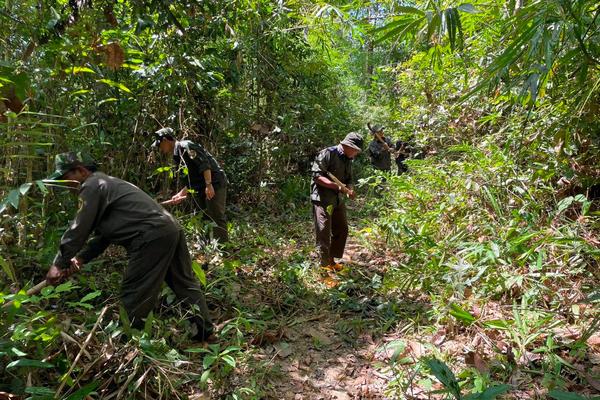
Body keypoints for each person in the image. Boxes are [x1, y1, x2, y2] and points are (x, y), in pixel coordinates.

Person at [45, 151, 214, 341]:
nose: (65, 185)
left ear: (80, 171)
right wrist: (81, 258)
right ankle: (204, 332)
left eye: (66, 178)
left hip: (150, 235)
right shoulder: (105, 183)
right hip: (169, 228)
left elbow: (79, 227)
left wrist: (58, 263)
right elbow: (103, 237)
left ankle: (130, 342)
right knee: (184, 283)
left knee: (134, 291)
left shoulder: (92, 185)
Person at [152, 128, 228, 244]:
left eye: (160, 144)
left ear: (166, 140)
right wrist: (181, 194)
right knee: (203, 216)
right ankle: (208, 247)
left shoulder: (185, 146)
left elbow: (204, 164)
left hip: (214, 183)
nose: (159, 148)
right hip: (203, 186)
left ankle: (224, 248)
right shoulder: (177, 155)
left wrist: (209, 185)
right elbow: (193, 178)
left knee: (216, 216)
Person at [310, 132, 363, 271]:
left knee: (342, 229)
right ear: (346, 146)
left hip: (338, 200)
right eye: (355, 150)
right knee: (324, 232)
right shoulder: (327, 153)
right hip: (322, 199)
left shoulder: (348, 158)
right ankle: (323, 267)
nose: (356, 153)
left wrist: (349, 189)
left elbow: (349, 179)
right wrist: (337, 186)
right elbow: (317, 177)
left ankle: (331, 261)